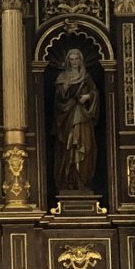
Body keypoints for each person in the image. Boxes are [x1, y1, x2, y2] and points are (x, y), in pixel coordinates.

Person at [50, 49, 100, 195]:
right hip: (67, 118)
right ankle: (68, 181)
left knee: (84, 145)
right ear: (67, 61)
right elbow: (58, 100)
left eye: (76, 59)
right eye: (71, 59)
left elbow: (95, 93)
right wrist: (64, 89)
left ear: (81, 60)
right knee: (68, 147)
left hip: (82, 115)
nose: (74, 62)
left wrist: (88, 96)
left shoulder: (86, 77)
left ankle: (82, 181)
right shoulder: (62, 77)